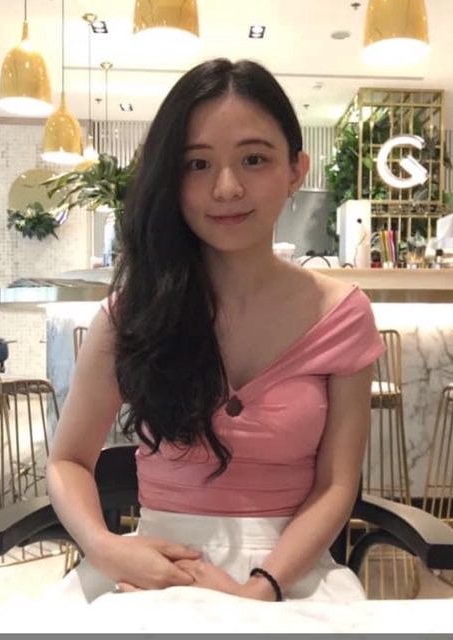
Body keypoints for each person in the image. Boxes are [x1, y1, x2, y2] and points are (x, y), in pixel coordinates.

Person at [46, 58, 385, 605]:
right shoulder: (131, 314)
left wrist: (260, 589)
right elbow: (68, 461)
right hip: (151, 568)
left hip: (289, 575)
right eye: (197, 164)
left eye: (254, 159)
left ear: (296, 169)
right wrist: (104, 547)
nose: (226, 188)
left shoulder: (342, 315)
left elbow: (336, 484)